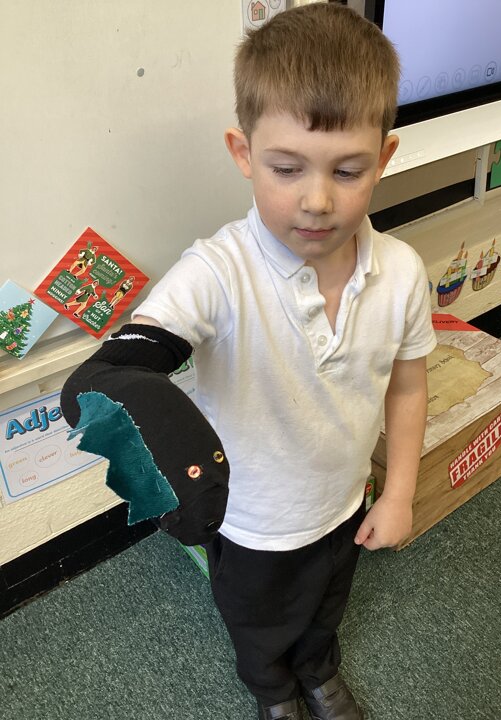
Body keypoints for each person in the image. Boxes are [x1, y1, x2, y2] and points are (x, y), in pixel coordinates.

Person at [60, 4, 436, 719]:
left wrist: (398, 493)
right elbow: (131, 357)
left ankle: (318, 671)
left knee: (326, 607)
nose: (317, 200)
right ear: (243, 152)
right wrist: (123, 380)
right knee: (258, 622)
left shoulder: (402, 271)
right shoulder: (218, 271)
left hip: (343, 500)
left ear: (385, 158)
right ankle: (273, 690)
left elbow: (409, 385)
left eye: (348, 170)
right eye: (286, 168)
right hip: (252, 520)